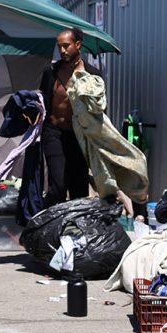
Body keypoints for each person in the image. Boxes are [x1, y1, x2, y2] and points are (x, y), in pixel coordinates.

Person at [39, 27, 102, 208]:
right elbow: (43, 100)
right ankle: (51, 225)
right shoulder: (50, 72)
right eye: (59, 47)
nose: (62, 50)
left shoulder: (93, 75)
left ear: (78, 45)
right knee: (57, 187)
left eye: (66, 46)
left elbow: (99, 109)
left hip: (79, 136)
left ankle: (75, 229)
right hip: (54, 133)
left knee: (79, 189)